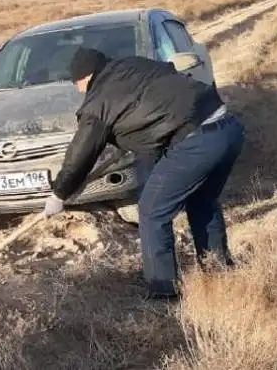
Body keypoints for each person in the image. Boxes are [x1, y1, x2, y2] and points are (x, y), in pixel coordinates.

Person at [42, 47, 245, 300]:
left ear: (84, 77)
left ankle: (163, 294)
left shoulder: (98, 101)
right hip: (227, 128)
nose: (78, 89)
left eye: (76, 83)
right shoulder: (134, 65)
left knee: (151, 211)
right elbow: (160, 103)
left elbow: (81, 153)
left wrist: (59, 193)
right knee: (202, 201)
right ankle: (219, 275)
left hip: (196, 143)